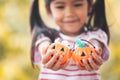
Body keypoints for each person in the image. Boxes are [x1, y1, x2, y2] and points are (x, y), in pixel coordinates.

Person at [30, 0, 110, 80]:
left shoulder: (96, 35)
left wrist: (93, 52)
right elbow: (44, 45)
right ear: (49, 10)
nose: (69, 13)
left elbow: (95, 43)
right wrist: (47, 52)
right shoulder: (46, 36)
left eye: (77, 5)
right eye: (60, 7)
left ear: (89, 7)